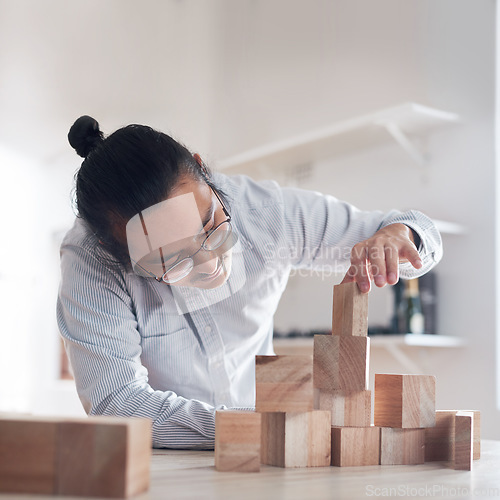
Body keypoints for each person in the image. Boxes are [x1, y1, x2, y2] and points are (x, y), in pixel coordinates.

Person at [57, 116, 443, 449]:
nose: (209, 263)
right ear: (113, 246)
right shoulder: (92, 257)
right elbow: (116, 400)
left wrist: (398, 237)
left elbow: (420, 232)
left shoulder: (266, 213)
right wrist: (253, 424)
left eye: (211, 225)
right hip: (164, 458)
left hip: (269, 448)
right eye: (172, 260)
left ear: (202, 169)